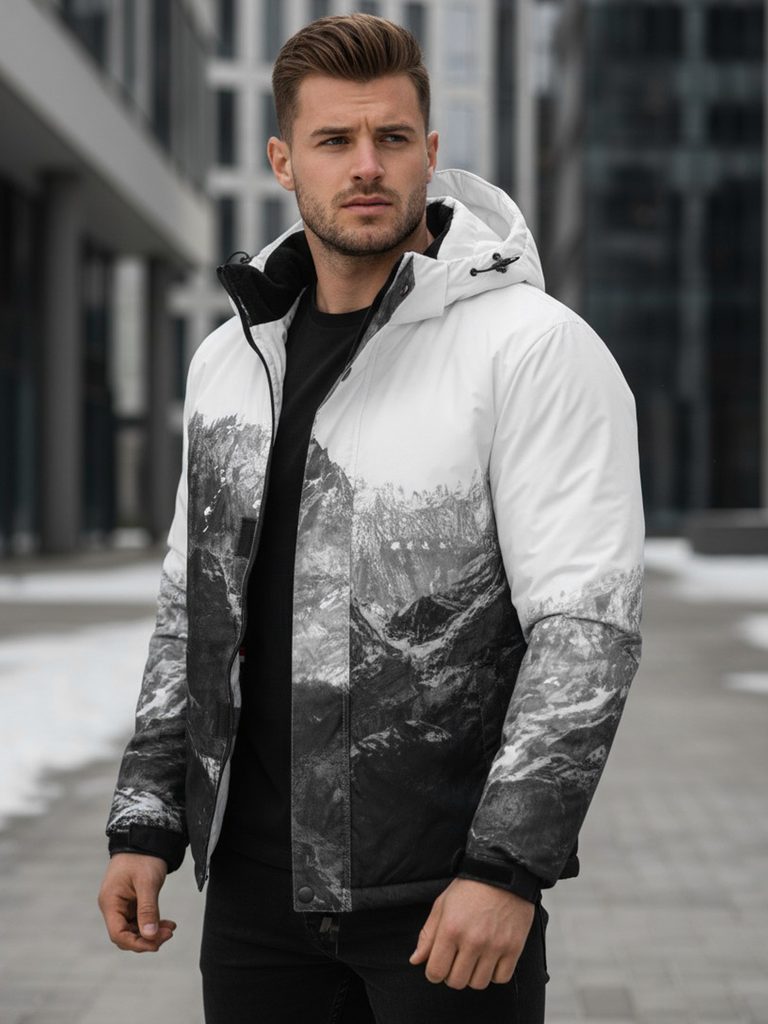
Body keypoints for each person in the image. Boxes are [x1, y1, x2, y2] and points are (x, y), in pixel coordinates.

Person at [98, 14, 644, 1023]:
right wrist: (146, 819)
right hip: (255, 901)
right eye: (334, 140)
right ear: (282, 160)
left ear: (429, 153)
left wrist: (507, 867)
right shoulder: (233, 360)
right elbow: (191, 610)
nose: (366, 165)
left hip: (445, 900)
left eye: (392, 138)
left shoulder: (531, 348)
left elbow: (586, 627)